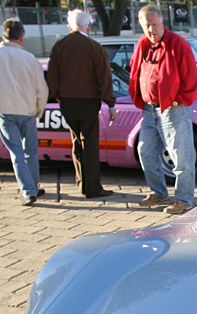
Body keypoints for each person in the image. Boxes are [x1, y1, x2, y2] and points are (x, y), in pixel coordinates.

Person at [128, 5, 197, 215]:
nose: (151, 30)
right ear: (142, 26)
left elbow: (191, 79)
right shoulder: (142, 44)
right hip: (149, 110)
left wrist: (179, 100)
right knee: (145, 151)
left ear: (162, 23)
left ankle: (184, 200)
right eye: (147, 26)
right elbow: (135, 71)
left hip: (173, 109)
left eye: (155, 25)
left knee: (181, 157)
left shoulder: (178, 44)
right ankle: (159, 192)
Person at [0, 18, 48, 206]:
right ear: (21, 36)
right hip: (28, 110)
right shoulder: (29, 58)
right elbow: (42, 88)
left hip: (3, 110)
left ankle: (28, 190)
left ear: (3, 35)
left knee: (16, 152)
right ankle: (33, 185)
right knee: (30, 151)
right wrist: (39, 110)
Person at [46, 8, 117, 199]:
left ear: (69, 25)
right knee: (90, 143)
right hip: (88, 101)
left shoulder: (60, 46)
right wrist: (110, 103)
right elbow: (104, 76)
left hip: (67, 101)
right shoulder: (94, 47)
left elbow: (52, 75)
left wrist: (56, 95)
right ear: (88, 25)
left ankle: (81, 183)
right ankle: (93, 187)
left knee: (76, 141)